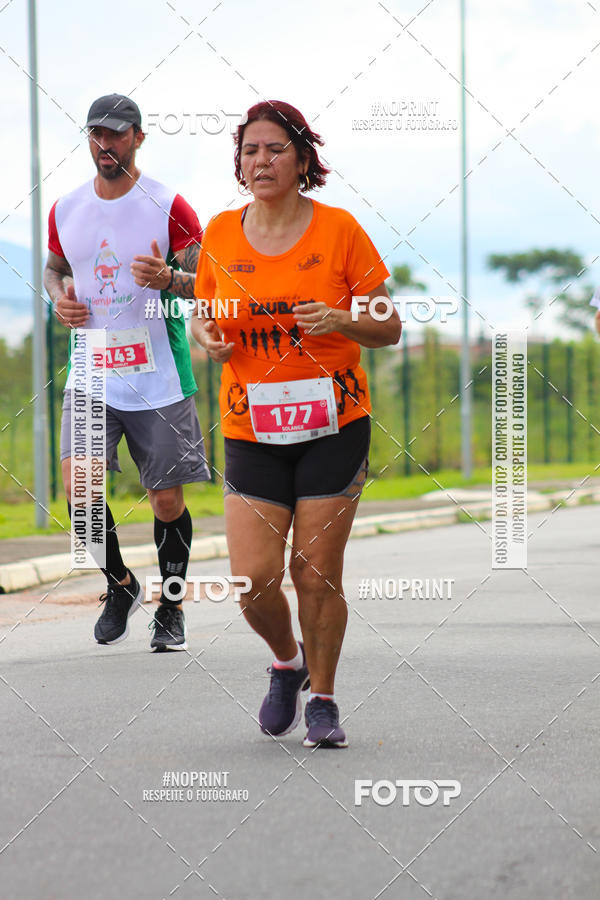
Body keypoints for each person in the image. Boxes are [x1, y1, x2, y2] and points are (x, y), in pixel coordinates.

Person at [192, 100, 401, 748]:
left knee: (314, 570)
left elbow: (389, 326)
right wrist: (207, 339)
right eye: (250, 150)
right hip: (250, 427)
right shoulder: (221, 236)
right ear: (239, 163)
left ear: (302, 159)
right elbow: (202, 316)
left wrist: (342, 321)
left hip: (334, 425)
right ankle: (288, 661)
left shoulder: (339, 231)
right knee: (253, 579)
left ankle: (326, 702)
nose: (261, 161)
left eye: (274, 149)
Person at [44, 93, 210, 652]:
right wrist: (57, 299)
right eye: (96, 134)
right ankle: (120, 584)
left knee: (166, 501)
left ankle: (170, 605)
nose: (105, 145)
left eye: (116, 135)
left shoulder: (169, 205)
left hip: (158, 372)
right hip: (92, 368)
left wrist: (168, 279)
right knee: (79, 491)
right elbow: (54, 269)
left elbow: (207, 281)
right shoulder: (65, 207)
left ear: (138, 138)